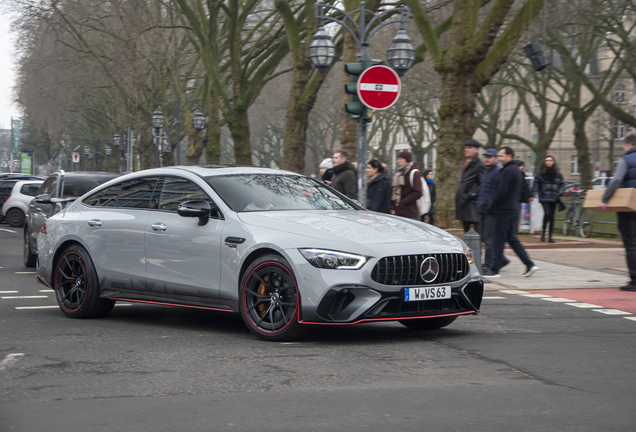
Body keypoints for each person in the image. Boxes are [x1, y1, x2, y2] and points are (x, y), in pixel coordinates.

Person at [483, 146, 539, 278]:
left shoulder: (508, 171)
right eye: (499, 156)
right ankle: (529, 264)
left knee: (498, 240)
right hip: (510, 210)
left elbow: (501, 192)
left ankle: (495, 269)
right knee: (511, 239)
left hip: (503, 210)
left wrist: (491, 207)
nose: (499, 158)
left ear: (510, 156)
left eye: (501, 156)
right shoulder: (515, 170)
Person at [599, 134, 636, 291]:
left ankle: (634, 280)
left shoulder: (626, 159)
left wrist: (605, 198)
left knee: (631, 244)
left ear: (627, 145)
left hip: (628, 206)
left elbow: (616, 180)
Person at [476, 148, 509, 272]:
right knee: (485, 237)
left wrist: (490, 206)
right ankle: (501, 259)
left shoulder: (497, 173)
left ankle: (489, 264)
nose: (487, 159)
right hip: (482, 210)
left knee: (489, 239)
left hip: (491, 211)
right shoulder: (486, 172)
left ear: (496, 159)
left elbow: (495, 193)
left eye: (490, 157)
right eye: (486, 157)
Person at [456, 140, 485, 232]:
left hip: (472, 205)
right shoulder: (466, 163)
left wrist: (471, 195)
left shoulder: (479, 165)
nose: (466, 150)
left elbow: (482, 184)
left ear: (476, 150)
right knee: (467, 234)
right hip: (464, 204)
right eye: (466, 148)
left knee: (475, 234)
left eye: (470, 148)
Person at [533, 155, 564, 243]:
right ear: (544, 162)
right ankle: (543, 232)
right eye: (546, 160)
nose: (548, 162)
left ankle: (550, 236)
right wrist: (533, 193)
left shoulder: (558, 173)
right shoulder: (540, 172)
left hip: (554, 196)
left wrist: (560, 191)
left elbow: (562, 183)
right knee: (547, 213)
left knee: (552, 216)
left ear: (553, 162)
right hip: (544, 196)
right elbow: (536, 183)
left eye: (550, 160)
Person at [391, 151, 423, 219]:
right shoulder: (399, 173)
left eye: (400, 159)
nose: (398, 161)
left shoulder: (414, 172)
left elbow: (417, 192)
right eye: (398, 159)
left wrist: (402, 203)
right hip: (398, 213)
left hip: (410, 213)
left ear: (407, 160)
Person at [514, 160, 535, 235]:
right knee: (514, 215)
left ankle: (515, 230)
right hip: (513, 198)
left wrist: (530, 195)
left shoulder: (522, 174)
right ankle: (513, 230)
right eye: (520, 166)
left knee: (517, 215)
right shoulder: (514, 174)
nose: (522, 167)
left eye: (522, 166)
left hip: (518, 198)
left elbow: (525, 186)